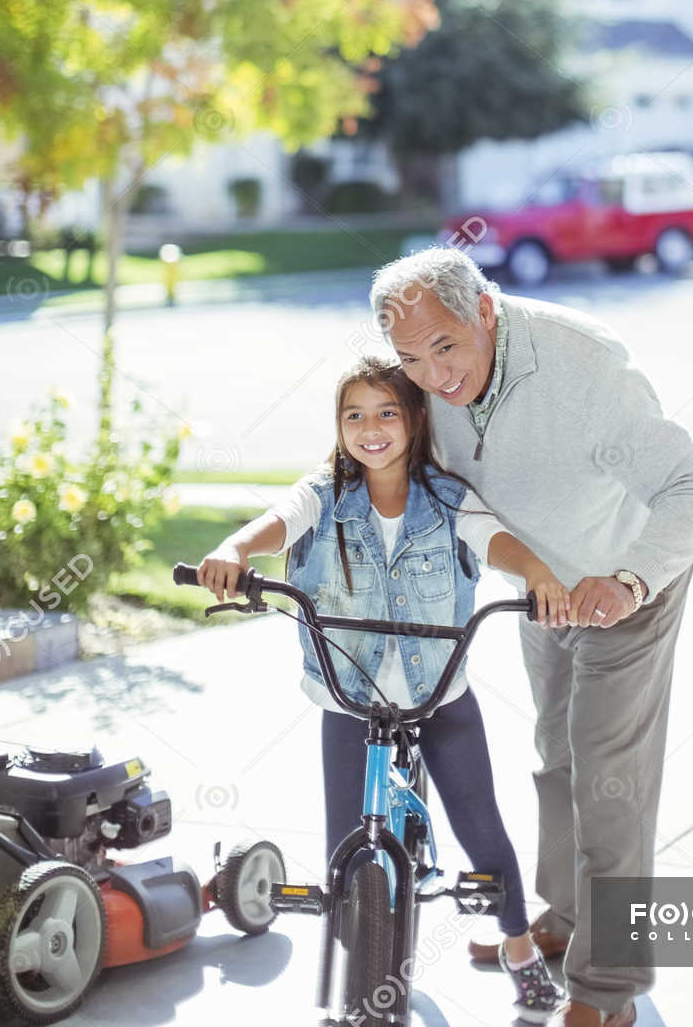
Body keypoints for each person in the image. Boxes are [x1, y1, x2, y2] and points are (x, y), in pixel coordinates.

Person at [369, 246, 693, 1027]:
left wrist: (629, 579)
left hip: (626, 582)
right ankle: (563, 921)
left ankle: (610, 987)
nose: (432, 375)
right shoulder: (420, 377)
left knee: (609, 781)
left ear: (485, 310)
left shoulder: (583, 368)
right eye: (409, 358)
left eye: (445, 347)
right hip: (542, 592)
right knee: (556, 759)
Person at [197, 353, 569, 1022]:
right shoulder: (325, 494)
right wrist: (235, 550)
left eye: (387, 412)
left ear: (416, 418)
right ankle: (362, 950)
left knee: (481, 829)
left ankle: (519, 949)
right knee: (346, 843)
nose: (372, 428)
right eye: (355, 416)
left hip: (437, 698)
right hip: (349, 697)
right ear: (339, 427)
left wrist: (537, 574)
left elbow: (496, 542)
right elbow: (279, 519)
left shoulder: (448, 500)